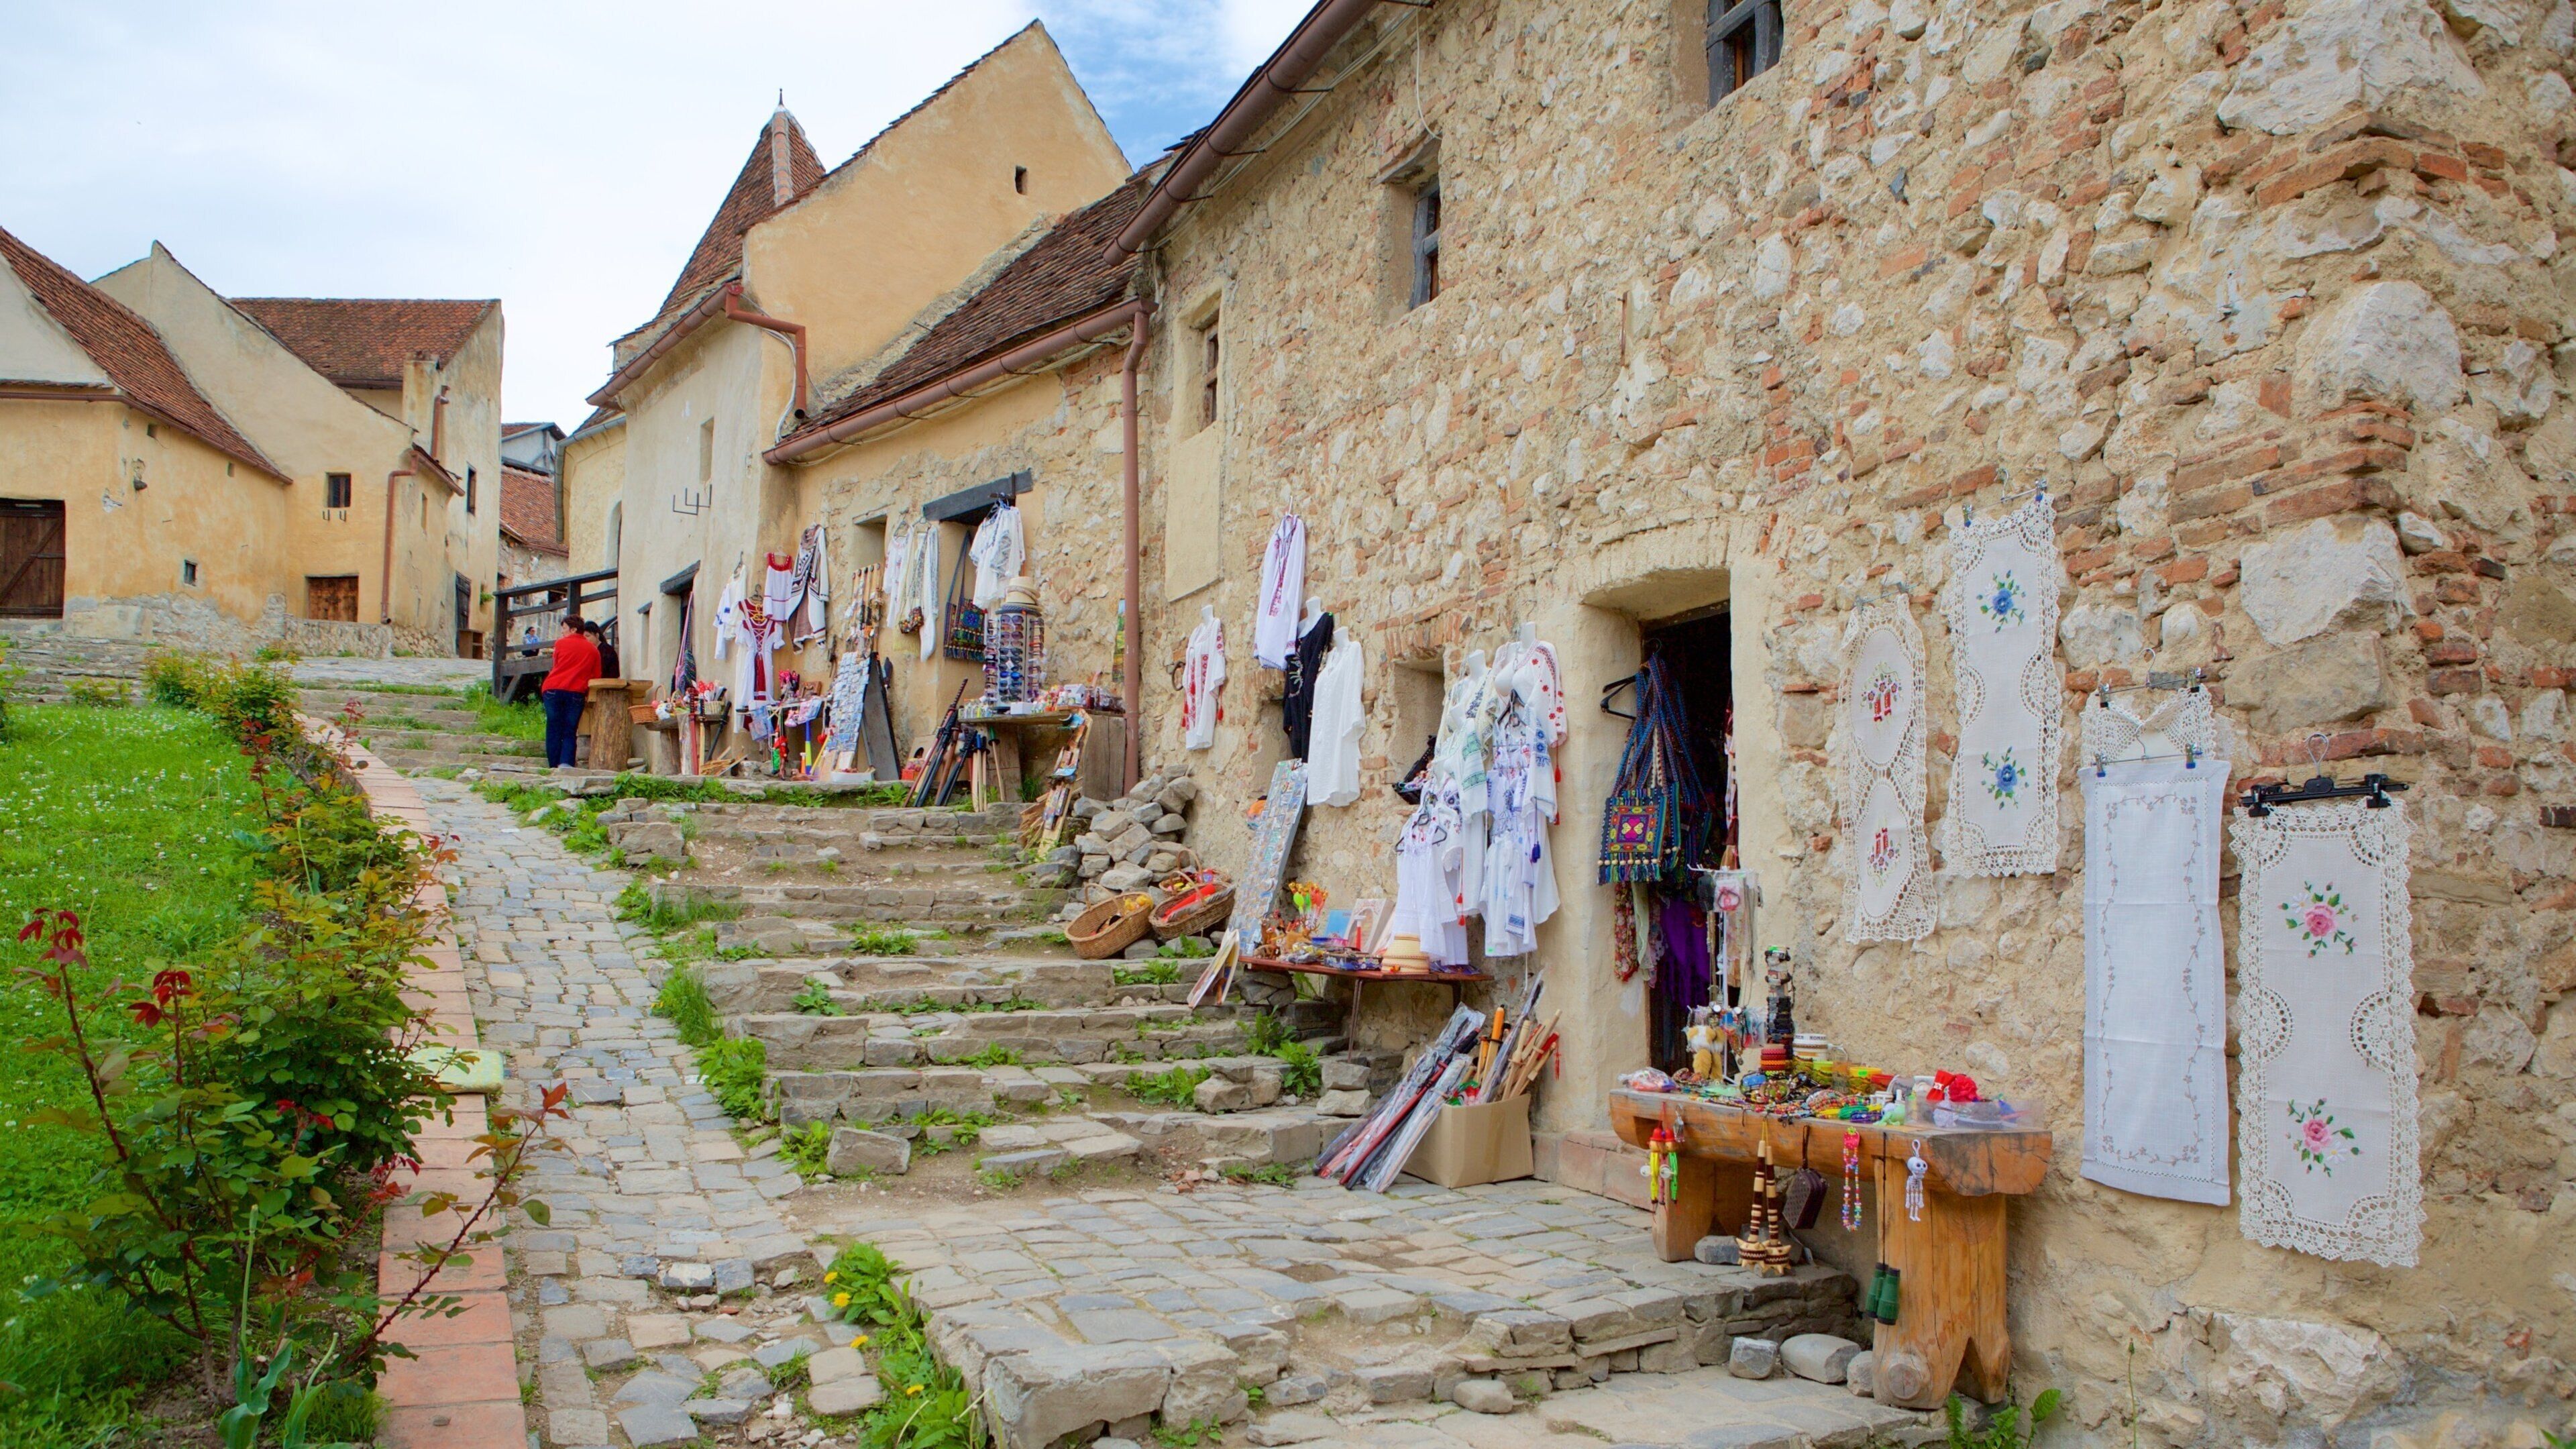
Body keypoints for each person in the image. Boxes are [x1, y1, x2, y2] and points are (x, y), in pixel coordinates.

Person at [541, 615, 602, 769]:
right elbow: (596, 676)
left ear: (573, 629)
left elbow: (556, 665)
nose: (562, 632)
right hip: (576, 692)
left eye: (564, 628)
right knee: (570, 729)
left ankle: (553, 764)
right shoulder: (593, 650)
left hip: (553, 689)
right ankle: (566, 763)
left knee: (553, 727)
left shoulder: (560, 644)